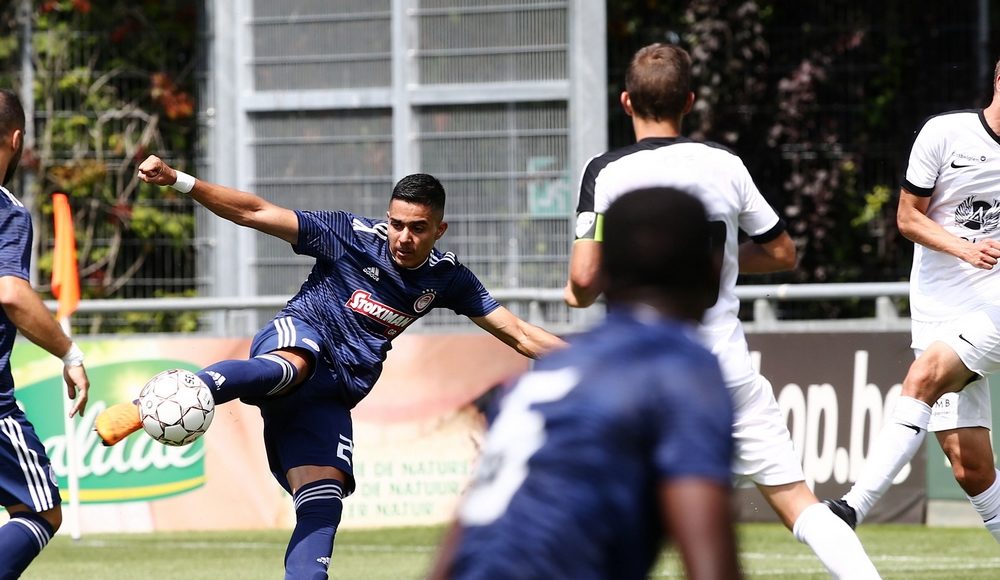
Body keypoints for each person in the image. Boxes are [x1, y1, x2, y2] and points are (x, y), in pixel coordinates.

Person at [95, 157, 567, 578]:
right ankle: (152, 404)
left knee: (323, 503)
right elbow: (255, 212)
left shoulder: (447, 278)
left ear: (439, 230)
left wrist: (598, 362)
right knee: (294, 364)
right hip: (299, 336)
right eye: (397, 224)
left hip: (334, 393)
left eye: (418, 228)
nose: (404, 237)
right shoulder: (348, 235)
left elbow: (520, 334)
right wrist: (178, 180)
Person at [564, 44, 880, 579]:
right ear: (690, 101)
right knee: (800, 504)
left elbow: (583, 280)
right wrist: (719, 260)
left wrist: (578, 293)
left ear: (626, 101)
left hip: (643, 378)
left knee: (597, 509)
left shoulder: (606, 172)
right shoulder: (725, 165)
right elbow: (782, 252)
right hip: (724, 369)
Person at [430, 187, 741, 580]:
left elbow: (455, 550)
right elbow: (711, 569)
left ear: (601, 276)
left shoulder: (541, 377)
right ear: (714, 271)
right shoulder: (679, 369)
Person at [823, 59, 1000, 543]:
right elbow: (907, 218)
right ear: (998, 80)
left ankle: (852, 507)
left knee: (922, 379)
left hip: (993, 307)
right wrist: (965, 248)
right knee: (969, 467)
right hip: (936, 309)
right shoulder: (944, 134)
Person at [0, 89, 91, 578]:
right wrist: (69, 352)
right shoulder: (6, 211)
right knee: (39, 511)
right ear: (16, 139)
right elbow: (12, 293)